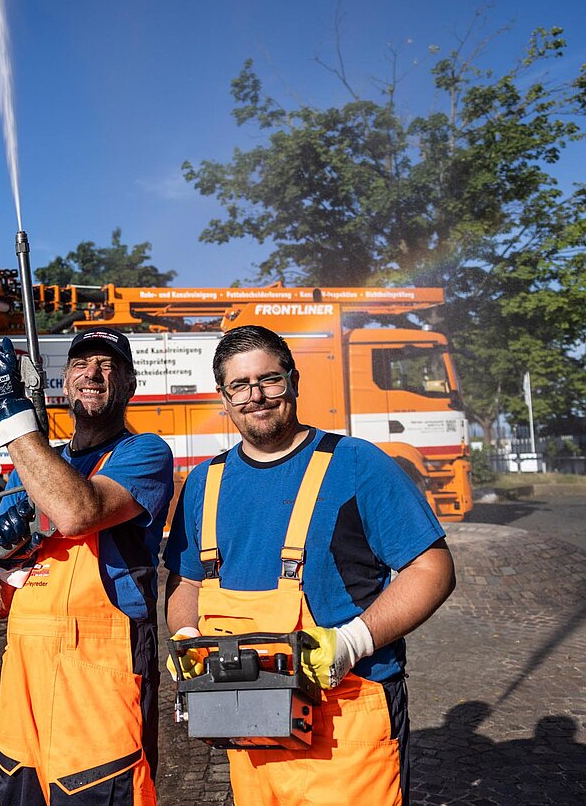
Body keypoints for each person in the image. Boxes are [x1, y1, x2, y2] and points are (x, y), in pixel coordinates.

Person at [163, 325, 456, 806]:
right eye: (240, 385)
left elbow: (433, 568)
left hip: (348, 722)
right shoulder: (203, 483)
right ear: (224, 396)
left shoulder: (357, 464)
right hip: (247, 724)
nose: (256, 395)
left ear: (294, 382)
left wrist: (352, 641)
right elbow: (187, 581)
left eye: (269, 380)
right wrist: (188, 637)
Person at [0, 327, 174, 806]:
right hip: (25, 698)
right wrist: (5, 560)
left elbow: (80, 512)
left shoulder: (143, 454)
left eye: (107, 366)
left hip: (98, 691)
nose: (92, 374)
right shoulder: (32, 468)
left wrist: (7, 413)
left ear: (129, 384)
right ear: (63, 382)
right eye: (81, 365)